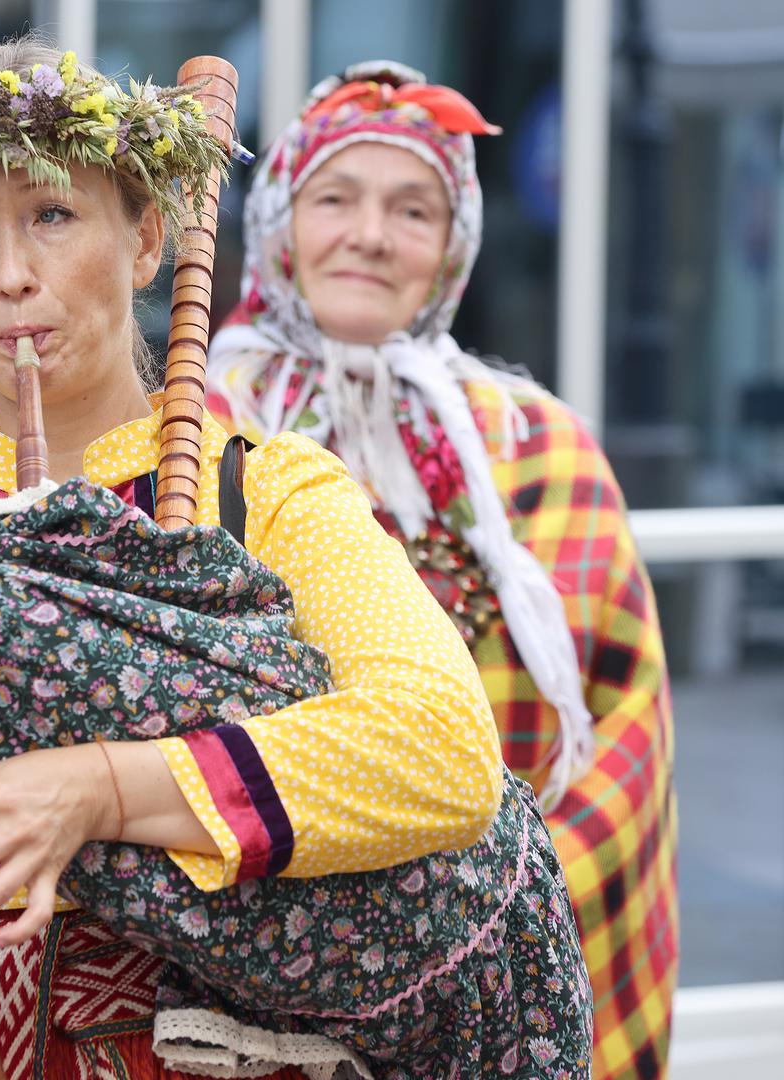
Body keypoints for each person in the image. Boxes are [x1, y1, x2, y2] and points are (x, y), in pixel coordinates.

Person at [0, 39, 589, 1080]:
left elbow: (439, 749)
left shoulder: (270, 495)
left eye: (51, 214)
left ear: (147, 239)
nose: (10, 276)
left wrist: (101, 788)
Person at [206, 61, 678, 1080]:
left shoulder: (535, 443)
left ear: (451, 247)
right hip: (260, 941)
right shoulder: (191, 437)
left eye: (411, 208)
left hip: (516, 950)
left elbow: (623, 712)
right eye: (334, 197)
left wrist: (506, 904)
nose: (369, 235)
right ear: (282, 221)